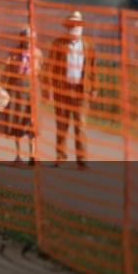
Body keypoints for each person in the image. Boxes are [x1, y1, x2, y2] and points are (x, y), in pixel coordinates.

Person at [43, 10, 97, 169]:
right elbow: (49, 67)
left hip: (81, 90)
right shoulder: (58, 44)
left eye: (77, 24)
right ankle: (60, 157)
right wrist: (48, 88)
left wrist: (94, 88)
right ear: (67, 27)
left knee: (80, 125)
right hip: (62, 89)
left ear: (81, 26)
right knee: (62, 124)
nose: (74, 27)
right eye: (72, 25)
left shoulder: (88, 45)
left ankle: (82, 160)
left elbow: (93, 69)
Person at [0, 27, 42, 165]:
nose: (29, 41)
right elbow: (6, 71)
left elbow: (41, 72)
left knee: (32, 121)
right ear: (21, 39)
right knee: (16, 121)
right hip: (16, 88)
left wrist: (45, 90)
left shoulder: (37, 53)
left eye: (32, 39)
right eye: (26, 38)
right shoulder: (14, 53)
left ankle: (33, 155)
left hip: (32, 89)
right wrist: (1, 87)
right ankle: (18, 155)